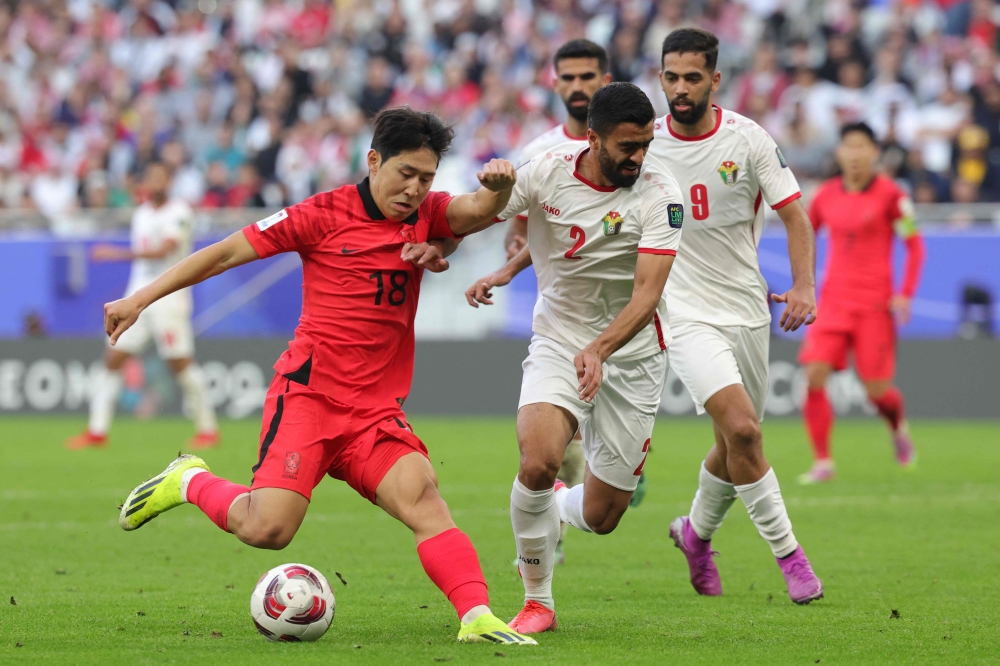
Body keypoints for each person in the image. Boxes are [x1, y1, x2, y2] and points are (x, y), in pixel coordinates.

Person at [109, 108, 536, 646]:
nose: (414, 189)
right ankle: (188, 480)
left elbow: (475, 210)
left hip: (374, 412)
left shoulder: (427, 214)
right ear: (373, 160)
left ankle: (476, 616)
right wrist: (141, 299)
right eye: (405, 174)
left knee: (424, 498)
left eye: (426, 179)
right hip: (308, 397)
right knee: (268, 531)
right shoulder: (320, 214)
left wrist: (498, 189)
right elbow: (224, 254)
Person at [470, 82, 684, 633]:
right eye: (627, 146)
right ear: (594, 139)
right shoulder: (544, 170)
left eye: (646, 143)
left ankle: (563, 504)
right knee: (538, 460)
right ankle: (538, 600)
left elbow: (647, 295)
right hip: (559, 341)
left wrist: (601, 349)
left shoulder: (664, 192)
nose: (639, 157)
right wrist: (449, 242)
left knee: (602, 516)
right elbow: (476, 214)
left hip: (631, 356)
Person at [649, 28, 823, 604]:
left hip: (747, 309)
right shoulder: (645, 144)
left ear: (714, 80)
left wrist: (803, 285)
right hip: (684, 310)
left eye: (691, 77)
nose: (679, 88)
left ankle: (695, 536)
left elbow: (797, 218)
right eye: (671, 76)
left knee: (734, 444)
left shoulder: (748, 140)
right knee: (745, 430)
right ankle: (792, 561)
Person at [798, 122, 926, 484]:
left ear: (874, 152)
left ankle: (898, 426)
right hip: (833, 302)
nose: (854, 154)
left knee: (876, 393)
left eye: (861, 147)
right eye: (848, 146)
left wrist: (905, 293)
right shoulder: (824, 196)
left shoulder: (892, 196)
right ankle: (823, 461)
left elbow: (915, 245)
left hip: (874, 306)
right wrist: (802, 283)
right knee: (813, 374)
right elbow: (805, 235)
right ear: (839, 152)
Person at [67, 161, 219, 451]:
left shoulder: (179, 213)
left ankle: (208, 430)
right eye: (151, 176)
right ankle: (97, 431)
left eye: (161, 176)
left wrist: (116, 253)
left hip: (168, 299)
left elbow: (166, 249)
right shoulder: (141, 214)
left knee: (180, 364)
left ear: (169, 181)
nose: (156, 182)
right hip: (137, 298)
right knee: (113, 358)